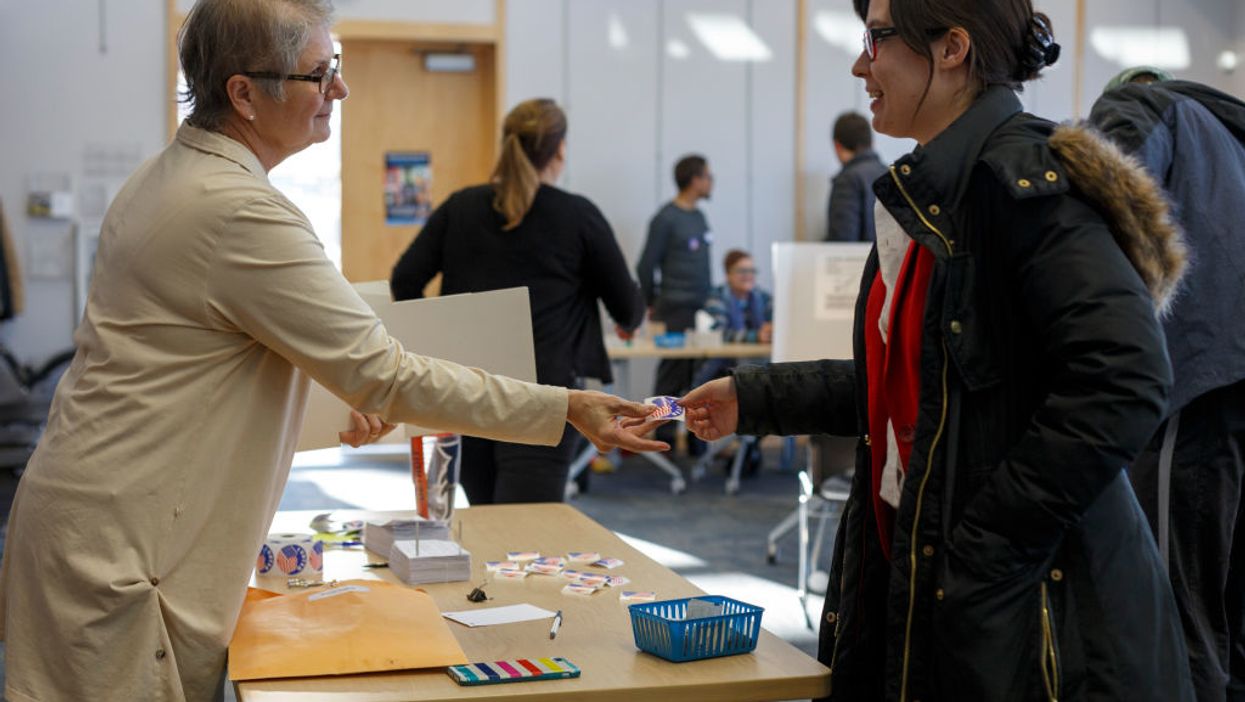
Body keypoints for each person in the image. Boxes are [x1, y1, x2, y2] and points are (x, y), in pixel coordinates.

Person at [0, 2, 666, 700]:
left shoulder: (172, 178)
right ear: (245, 94)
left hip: (91, 515)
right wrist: (566, 406)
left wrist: (344, 388)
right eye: (320, 74)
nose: (339, 91)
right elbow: (385, 373)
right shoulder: (239, 211)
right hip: (127, 547)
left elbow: (205, 354)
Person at [679, 0, 1194, 699]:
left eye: (877, 38)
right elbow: (918, 383)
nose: (861, 63)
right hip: (942, 587)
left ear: (951, 49)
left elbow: (1124, 380)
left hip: (1031, 624)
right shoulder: (932, 195)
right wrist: (754, 397)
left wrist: (986, 548)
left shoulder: (1024, 186)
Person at [390, 98, 645, 505]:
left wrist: (439, 345)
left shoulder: (461, 207)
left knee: (487, 516)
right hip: (545, 397)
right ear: (560, 150)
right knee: (528, 532)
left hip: (468, 389)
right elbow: (628, 311)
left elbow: (404, 280)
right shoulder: (577, 216)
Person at [1090, 73, 1245, 702]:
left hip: (1195, 382)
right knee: (1233, 614)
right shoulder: (1233, 137)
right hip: (1236, 383)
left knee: (1178, 612)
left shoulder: (1143, 103)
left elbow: (1105, 193)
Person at [636, 155, 714, 454]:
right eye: (707, 176)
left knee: (700, 378)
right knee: (671, 378)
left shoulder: (699, 216)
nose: (710, 181)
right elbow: (644, 266)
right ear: (694, 179)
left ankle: (697, 440)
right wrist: (651, 302)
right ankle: (661, 440)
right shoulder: (665, 218)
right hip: (675, 309)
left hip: (701, 311)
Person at [690, 248, 773, 389]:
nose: (748, 275)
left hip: (757, 362)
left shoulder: (763, 297)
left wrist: (772, 328)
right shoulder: (716, 297)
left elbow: (779, 322)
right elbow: (719, 333)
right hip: (723, 366)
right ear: (728, 274)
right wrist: (756, 336)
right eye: (742, 271)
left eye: (752, 271)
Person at [826, 111, 888, 242]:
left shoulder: (847, 180)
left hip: (860, 262)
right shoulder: (890, 173)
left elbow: (842, 241)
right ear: (871, 142)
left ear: (837, 146)